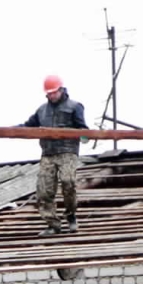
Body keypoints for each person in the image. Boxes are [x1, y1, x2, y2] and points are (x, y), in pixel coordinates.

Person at [22, 74, 88, 235]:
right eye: (49, 93)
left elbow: (83, 128)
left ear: (61, 90)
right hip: (48, 153)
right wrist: (5, 130)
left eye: (54, 92)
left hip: (67, 152)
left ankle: (71, 215)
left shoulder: (75, 106)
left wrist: (84, 135)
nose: (52, 96)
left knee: (68, 181)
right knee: (44, 189)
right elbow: (27, 126)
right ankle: (52, 224)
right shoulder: (41, 110)